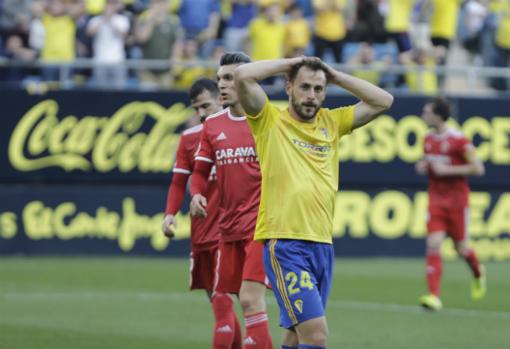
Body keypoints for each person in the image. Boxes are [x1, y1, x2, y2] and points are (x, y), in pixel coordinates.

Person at [234, 56, 393, 348]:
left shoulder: (332, 122)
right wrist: (292, 63)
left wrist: (336, 75)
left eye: (319, 89)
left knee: (297, 334)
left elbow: (383, 100)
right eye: (304, 87)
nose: (311, 96)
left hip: (321, 243)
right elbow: (243, 75)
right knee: (316, 334)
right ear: (288, 87)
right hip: (286, 243)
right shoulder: (269, 120)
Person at [189, 52, 273, 349]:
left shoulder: (266, 120)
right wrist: (197, 193)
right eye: (220, 79)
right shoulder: (213, 125)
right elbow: (198, 172)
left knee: (251, 300)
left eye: (229, 78)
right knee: (244, 302)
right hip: (228, 229)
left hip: (260, 227)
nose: (222, 85)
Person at [161, 78, 228, 345]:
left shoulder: (240, 131)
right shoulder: (189, 139)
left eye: (205, 106)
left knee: (228, 303)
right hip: (201, 232)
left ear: (220, 100)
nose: (201, 113)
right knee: (217, 304)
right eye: (196, 108)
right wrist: (170, 214)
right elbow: (179, 182)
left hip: (230, 229)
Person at [415, 97, 486, 311]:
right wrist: (423, 166)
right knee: (434, 243)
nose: (423, 115)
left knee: (461, 248)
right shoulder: (427, 138)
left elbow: (478, 168)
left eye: (427, 112)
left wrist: (449, 171)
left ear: (438, 115)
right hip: (436, 200)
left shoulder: (459, 139)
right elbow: (430, 162)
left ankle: (478, 272)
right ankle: (434, 296)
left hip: (457, 202)